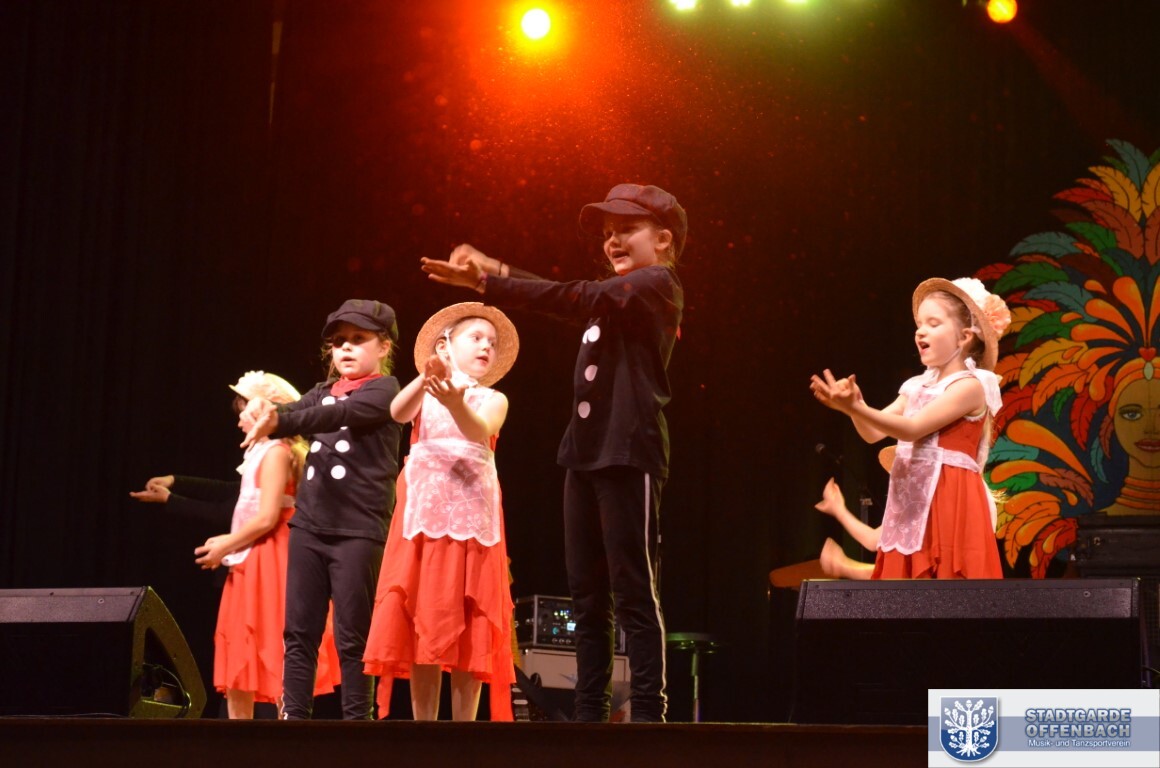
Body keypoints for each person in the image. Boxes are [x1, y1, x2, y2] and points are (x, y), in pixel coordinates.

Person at [420, 183, 686, 723]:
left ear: (663, 240)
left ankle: (649, 716)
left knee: (634, 590)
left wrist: (489, 280)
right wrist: (494, 270)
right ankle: (589, 713)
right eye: (607, 233)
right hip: (584, 454)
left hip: (627, 451)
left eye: (626, 229)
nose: (613, 240)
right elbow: (568, 295)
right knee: (587, 595)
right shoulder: (614, 298)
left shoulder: (657, 285)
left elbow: (573, 296)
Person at [131, 371, 341, 718]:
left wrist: (226, 544)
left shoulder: (277, 452)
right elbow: (236, 498)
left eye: (245, 410)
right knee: (242, 646)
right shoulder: (261, 452)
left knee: (275, 641)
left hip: (273, 556)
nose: (240, 419)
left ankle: (290, 727)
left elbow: (267, 516)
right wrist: (179, 488)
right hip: (252, 555)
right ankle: (238, 738)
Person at [240, 300, 403, 720]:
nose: (345, 348)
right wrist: (267, 411)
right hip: (310, 527)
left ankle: (356, 727)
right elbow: (296, 410)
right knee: (299, 633)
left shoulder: (387, 391)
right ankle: (294, 720)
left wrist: (279, 422)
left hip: (358, 530)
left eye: (358, 339)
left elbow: (337, 415)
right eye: (338, 341)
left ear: (384, 346)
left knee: (352, 637)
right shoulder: (320, 391)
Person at [363, 302, 520, 721]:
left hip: (472, 522)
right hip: (423, 522)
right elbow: (397, 412)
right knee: (424, 613)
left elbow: (477, 429)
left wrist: (454, 402)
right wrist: (426, 377)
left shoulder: (493, 399)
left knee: (471, 620)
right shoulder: (425, 393)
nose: (486, 346)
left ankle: (463, 732)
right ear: (445, 347)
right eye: (476, 338)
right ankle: (425, 729)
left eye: (492, 342)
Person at [810, 277, 1011, 579]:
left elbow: (912, 428)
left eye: (933, 323)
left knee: (948, 586)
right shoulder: (915, 387)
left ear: (964, 337)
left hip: (950, 498)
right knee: (907, 588)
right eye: (919, 324)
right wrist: (853, 407)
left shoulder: (971, 386)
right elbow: (872, 433)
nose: (920, 331)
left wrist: (856, 408)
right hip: (913, 500)